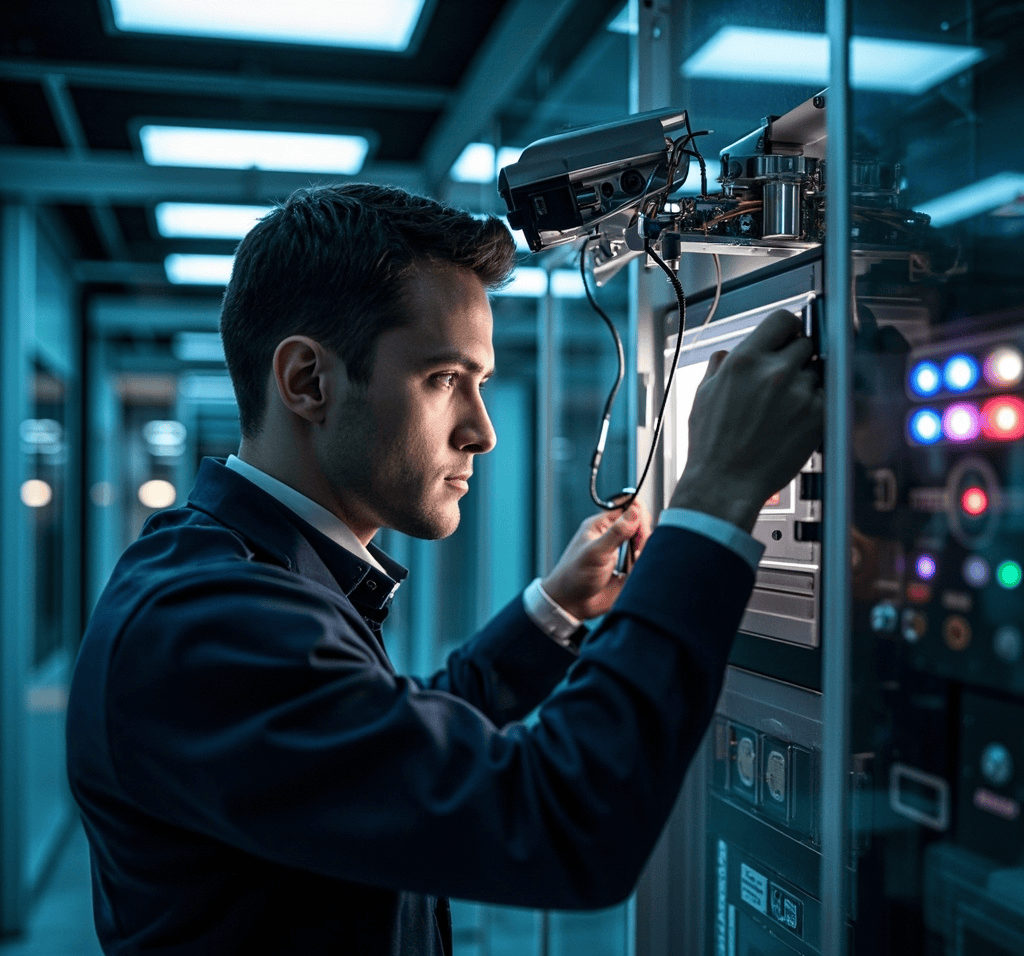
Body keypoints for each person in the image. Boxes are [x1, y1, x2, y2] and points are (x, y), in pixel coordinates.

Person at [66, 184, 823, 955]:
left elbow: (380, 749)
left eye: (482, 383)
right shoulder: (202, 622)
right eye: (444, 379)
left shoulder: (239, 574)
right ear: (306, 382)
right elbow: (557, 824)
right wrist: (714, 497)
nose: (483, 432)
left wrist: (552, 611)